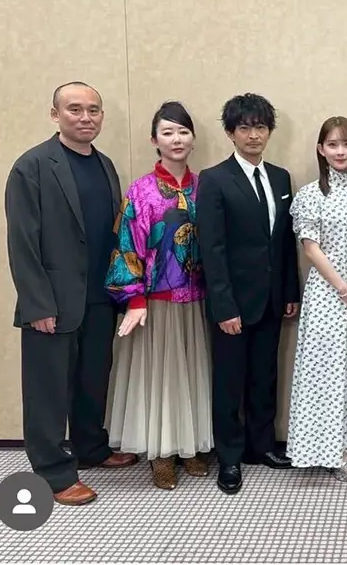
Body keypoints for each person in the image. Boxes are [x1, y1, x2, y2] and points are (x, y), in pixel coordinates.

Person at [4, 82, 138, 507]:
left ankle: (91, 448)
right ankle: (53, 473)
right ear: (55, 114)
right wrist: (37, 304)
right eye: (75, 109)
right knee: (47, 391)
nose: (85, 118)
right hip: (53, 300)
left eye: (93, 110)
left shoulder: (105, 165)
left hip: (99, 296)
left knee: (92, 380)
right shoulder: (32, 166)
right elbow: (22, 243)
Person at [103, 101, 214, 490]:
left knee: (194, 373)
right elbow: (127, 245)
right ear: (155, 140)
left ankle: (191, 446)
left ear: (193, 139)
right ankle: (162, 453)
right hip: (157, 301)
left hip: (199, 298)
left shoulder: (205, 187)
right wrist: (134, 299)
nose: (176, 139)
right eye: (167, 132)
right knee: (162, 378)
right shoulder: (142, 190)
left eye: (183, 131)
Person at [195, 93, 300, 495]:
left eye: (260, 127)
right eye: (244, 127)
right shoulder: (214, 179)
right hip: (233, 303)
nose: (253, 135)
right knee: (230, 381)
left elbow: (284, 242)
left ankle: (262, 445)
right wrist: (223, 306)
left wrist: (290, 290)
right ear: (230, 133)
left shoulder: (280, 178)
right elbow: (212, 249)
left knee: (265, 375)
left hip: (272, 299)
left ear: (269, 131)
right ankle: (229, 457)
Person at [286, 117, 347, 481]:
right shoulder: (311, 194)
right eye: (332, 144)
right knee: (328, 372)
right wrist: (344, 288)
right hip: (328, 297)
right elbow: (311, 248)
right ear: (321, 149)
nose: (340, 151)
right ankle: (330, 450)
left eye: (346, 144)